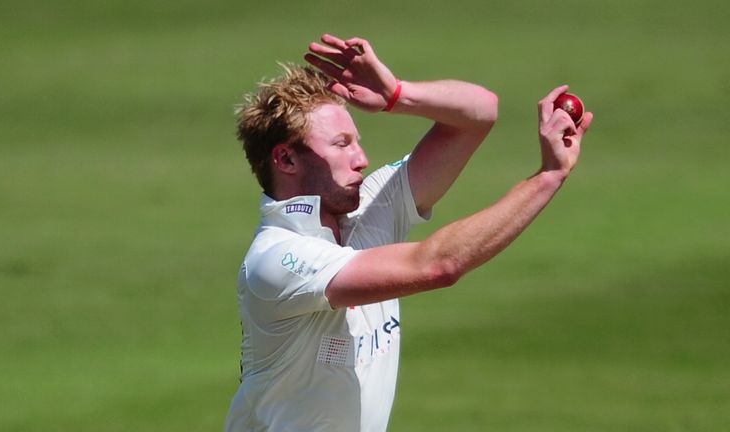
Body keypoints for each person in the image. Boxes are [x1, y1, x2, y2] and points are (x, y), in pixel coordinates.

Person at [225, 33, 593, 432]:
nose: (362, 159)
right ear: (286, 159)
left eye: (357, 142)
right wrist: (547, 178)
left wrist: (397, 94)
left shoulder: (368, 209)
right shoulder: (277, 259)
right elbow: (440, 265)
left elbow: (480, 113)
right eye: (341, 144)